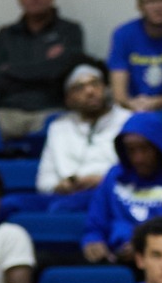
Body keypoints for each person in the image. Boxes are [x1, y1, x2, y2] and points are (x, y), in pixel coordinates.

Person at [81, 114, 162, 264]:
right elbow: (95, 223)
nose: (138, 158)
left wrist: (148, 248)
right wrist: (93, 241)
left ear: (160, 147)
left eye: (144, 149)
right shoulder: (114, 176)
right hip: (117, 260)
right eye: (131, 150)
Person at [0, 0, 85, 139]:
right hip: (8, 113)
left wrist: (10, 70)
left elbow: (61, 73)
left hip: (52, 111)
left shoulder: (70, 31)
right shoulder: (5, 34)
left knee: (70, 128)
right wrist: (44, 70)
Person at [37, 61, 131, 211]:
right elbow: (43, 181)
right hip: (64, 194)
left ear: (106, 88)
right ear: (69, 98)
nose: (90, 91)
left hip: (108, 191)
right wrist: (61, 186)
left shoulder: (128, 121)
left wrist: (103, 180)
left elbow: (135, 171)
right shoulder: (59, 128)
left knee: (61, 208)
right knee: (11, 204)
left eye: (95, 84)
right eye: (79, 88)